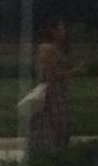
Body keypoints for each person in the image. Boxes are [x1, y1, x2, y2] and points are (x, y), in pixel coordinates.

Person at [30, 16, 73, 154]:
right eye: (61, 28)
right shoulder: (48, 49)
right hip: (52, 95)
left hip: (50, 93)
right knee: (56, 130)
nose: (64, 31)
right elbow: (50, 76)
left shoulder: (44, 48)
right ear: (53, 31)